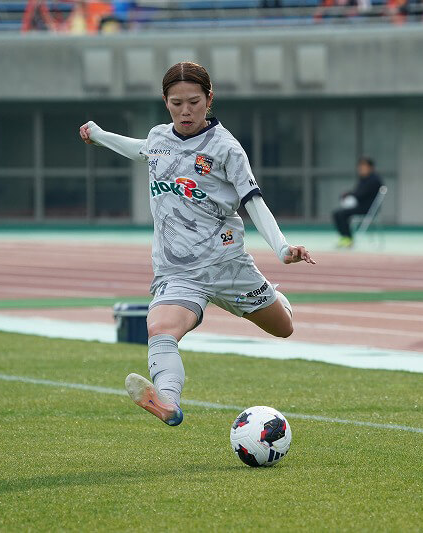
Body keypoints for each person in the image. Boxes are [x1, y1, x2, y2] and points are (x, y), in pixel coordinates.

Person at [79, 62, 316, 426]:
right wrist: (98, 135)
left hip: (227, 266)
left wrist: (283, 249)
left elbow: (253, 201)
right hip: (178, 272)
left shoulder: (226, 148)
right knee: (160, 329)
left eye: (193, 102)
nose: (185, 111)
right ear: (165, 101)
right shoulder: (159, 138)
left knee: (284, 327)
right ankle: (168, 402)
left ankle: (273, 294)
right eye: (176, 103)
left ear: (209, 98)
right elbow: (141, 150)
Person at [332, 156, 383, 248]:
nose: (361, 168)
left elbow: (360, 194)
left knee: (341, 214)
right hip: (360, 206)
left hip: (367, 208)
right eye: (360, 166)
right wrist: (348, 194)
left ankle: (348, 239)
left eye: (364, 166)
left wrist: (349, 194)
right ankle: (345, 237)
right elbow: (357, 193)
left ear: (370, 167)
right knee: (337, 213)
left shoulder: (374, 180)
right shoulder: (363, 179)